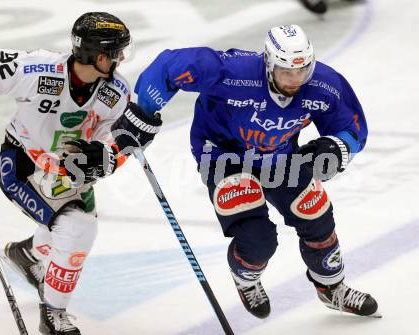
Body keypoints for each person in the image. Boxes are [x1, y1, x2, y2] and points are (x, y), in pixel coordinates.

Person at [112, 24, 380, 319]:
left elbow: (351, 127)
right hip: (223, 155)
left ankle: (332, 289)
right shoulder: (234, 71)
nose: (295, 80)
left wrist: (335, 147)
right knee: (258, 239)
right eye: (286, 72)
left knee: (316, 216)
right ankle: (246, 278)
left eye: (302, 71)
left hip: (279, 155)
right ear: (268, 64)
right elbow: (170, 66)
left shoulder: (324, 84)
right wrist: (143, 112)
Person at [0, 12, 134, 334]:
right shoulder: (37, 68)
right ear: (98, 56)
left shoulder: (116, 92)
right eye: (116, 53)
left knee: (67, 224)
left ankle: (28, 254)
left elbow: (118, 141)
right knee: (77, 230)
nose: (120, 59)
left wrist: (105, 154)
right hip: (21, 164)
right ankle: (53, 315)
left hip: (69, 172)